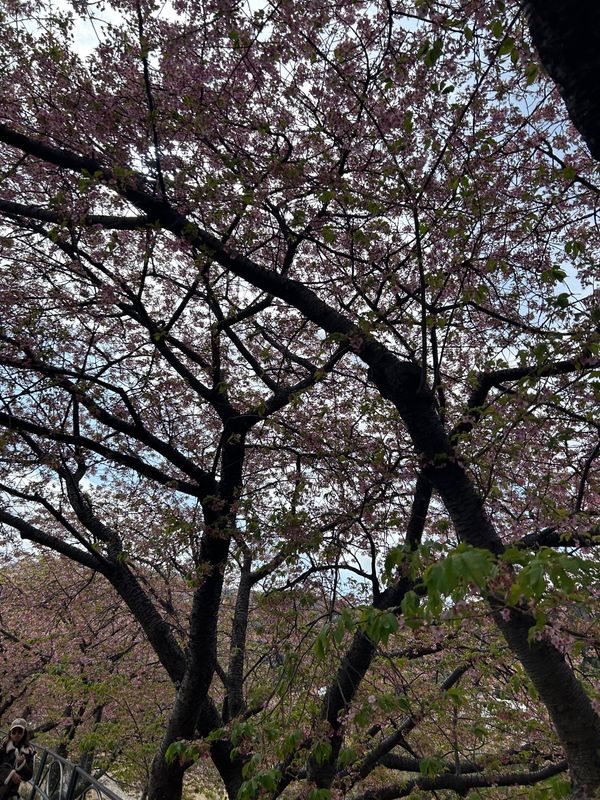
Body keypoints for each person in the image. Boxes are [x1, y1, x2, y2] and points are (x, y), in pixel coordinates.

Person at [0, 719, 34, 799]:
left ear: (24, 733)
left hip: (13, 791)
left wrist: (22, 764)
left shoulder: (28, 752)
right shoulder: (3, 748)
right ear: (10, 734)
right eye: (14, 732)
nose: (16, 734)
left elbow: (28, 776)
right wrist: (10, 774)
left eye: (20, 732)